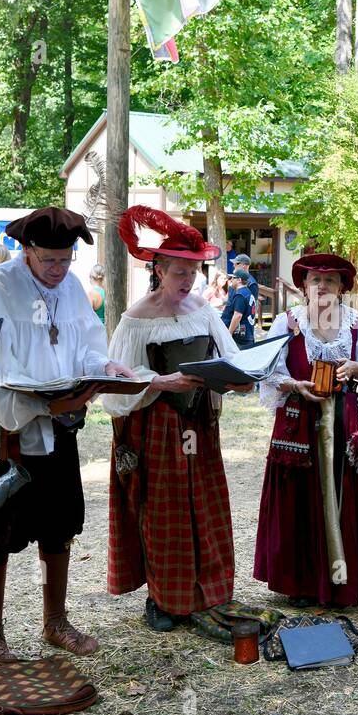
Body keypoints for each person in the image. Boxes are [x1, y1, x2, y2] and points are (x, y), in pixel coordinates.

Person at [0, 208, 132, 661]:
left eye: (66, 260)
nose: (59, 270)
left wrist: (105, 368)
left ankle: (55, 621)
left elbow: (88, 344)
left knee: (58, 527)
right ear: (27, 251)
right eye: (49, 261)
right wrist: (36, 404)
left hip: (60, 429)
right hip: (9, 434)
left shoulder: (74, 288)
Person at [104, 206, 249, 632]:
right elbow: (116, 386)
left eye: (193, 273)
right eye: (179, 273)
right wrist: (160, 382)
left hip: (199, 422)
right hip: (158, 425)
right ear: (159, 269)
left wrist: (237, 378)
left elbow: (231, 358)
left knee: (202, 504)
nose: (187, 281)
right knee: (162, 509)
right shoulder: (135, 320)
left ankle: (207, 591)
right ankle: (162, 598)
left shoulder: (202, 310)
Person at [254, 254, 358, 608]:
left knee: (342, 491)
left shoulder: (355, 324)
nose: (322, 286)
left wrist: (355, 367)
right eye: (315, 280)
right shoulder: (287, 322)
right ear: (304, 287)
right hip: (298, 423)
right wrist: (294, 384)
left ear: (342, 288)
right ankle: (302, 583)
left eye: (330, 280)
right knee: (300, 497)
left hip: (342, 419)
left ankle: (343, 579)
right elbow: (267, 371)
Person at [223, 268, 257, 349]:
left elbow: (237, 315)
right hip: (248, 334)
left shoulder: (240, 295)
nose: (231, 280)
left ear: (239, 280)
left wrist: (229, 333)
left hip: (240, 337)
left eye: (233, 278)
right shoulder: (248, 292)